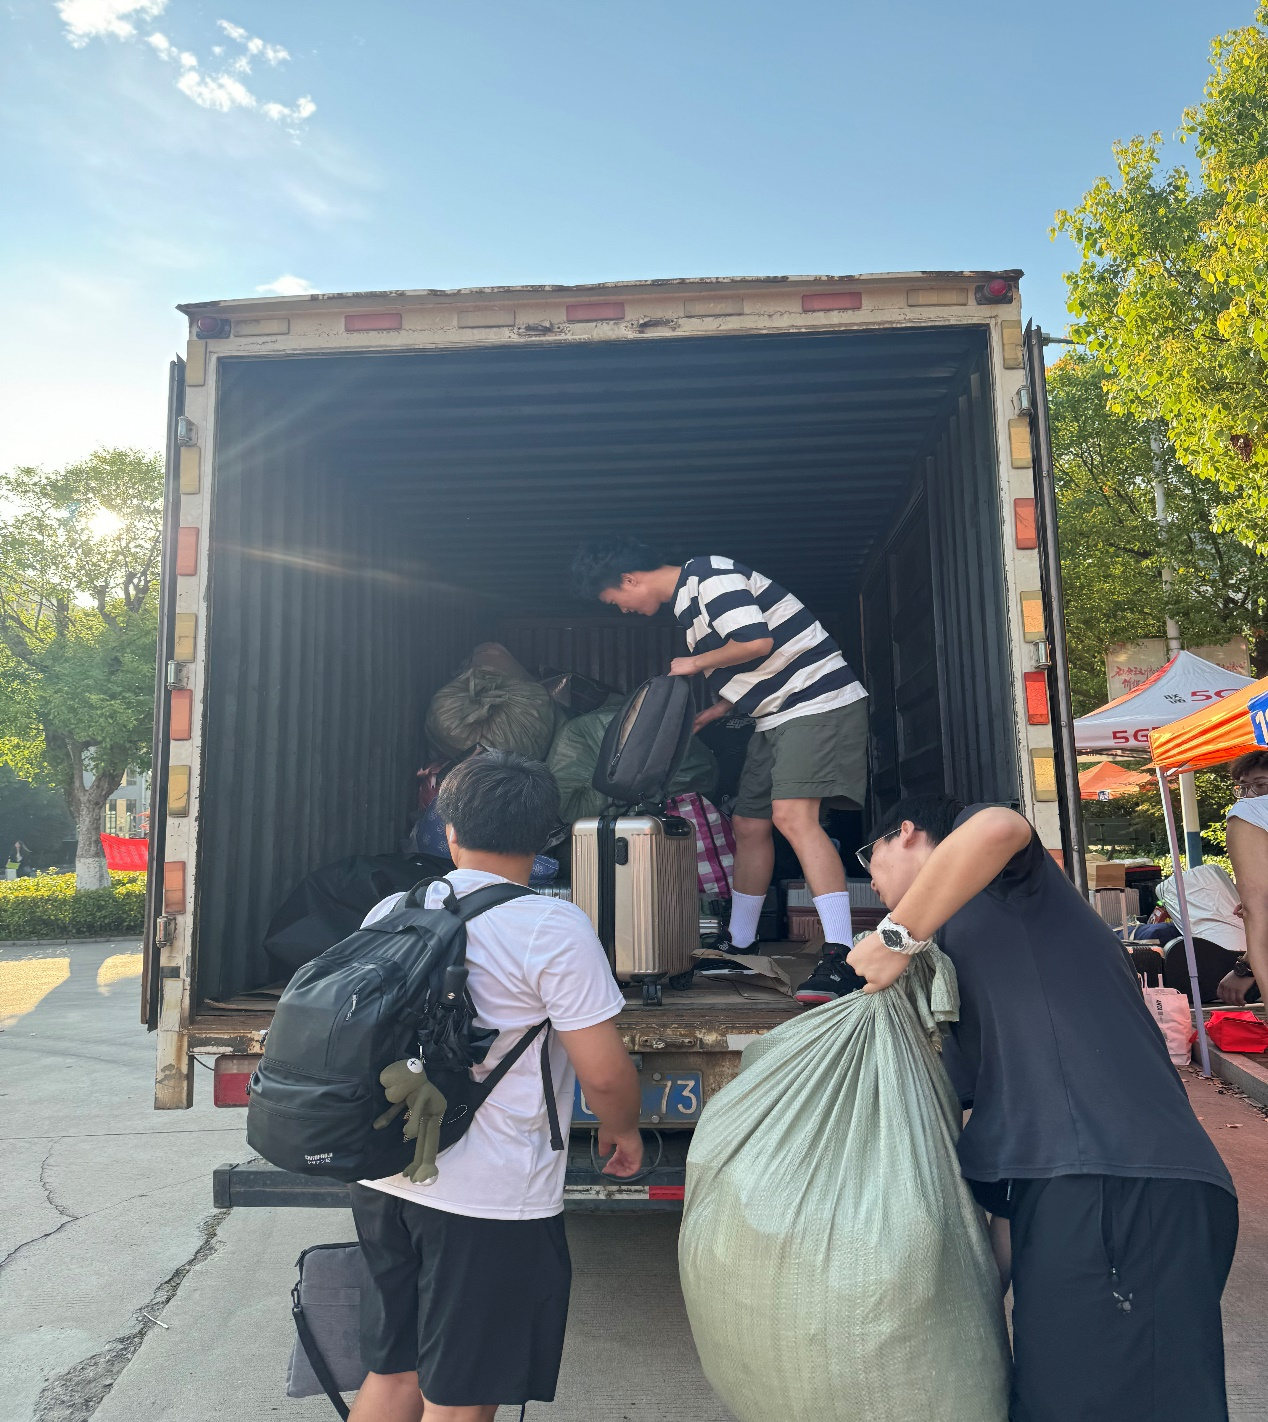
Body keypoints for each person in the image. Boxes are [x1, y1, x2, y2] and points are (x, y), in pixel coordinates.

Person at [848, 794, 1238, 1422]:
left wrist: (896, 936)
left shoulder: (1002, 886)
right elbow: (1014, 1155)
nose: (871, 876)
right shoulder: (955, 962)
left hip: (1117, 1179)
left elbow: (998, 827)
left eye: (872, 855)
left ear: (910, 833)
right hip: (1069, 1191)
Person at [349, 752, 643, 1422]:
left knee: (394, 1373)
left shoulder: (395, 907)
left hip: (386, 1172)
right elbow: (602, 1072)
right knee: (460, 1398)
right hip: (488, 1194)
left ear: (449, 831)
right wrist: (622, 1129)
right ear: (545, 840)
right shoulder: (552, 927)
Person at [571, 536, 868, 1004]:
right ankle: (740, 944)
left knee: (793, 818)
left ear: (629, 579)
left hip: (816, 702)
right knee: (749, 824)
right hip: (774, 715)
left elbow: (755, 641)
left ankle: (841, 956)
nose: (623, 610)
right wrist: (715, 710)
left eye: (616, 600)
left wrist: (695, 663)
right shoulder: (690, 607)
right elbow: (761, 662)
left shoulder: (710, 575)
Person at [1218, 749, 1268, 1006]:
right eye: (1243, 787)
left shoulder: (1248, 813)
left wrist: (1246, 969)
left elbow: (1258, 909)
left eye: (1261, 785)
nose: (1250, 796)